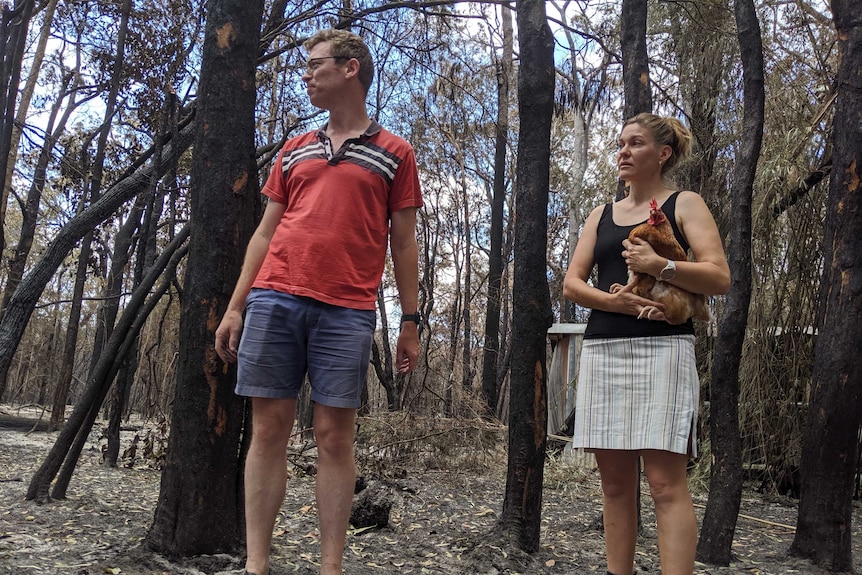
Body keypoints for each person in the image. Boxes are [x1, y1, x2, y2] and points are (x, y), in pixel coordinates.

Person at [214, 29, 422, 575]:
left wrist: (411, 319)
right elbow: (264, 232)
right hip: (274, 299)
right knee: (268, 429)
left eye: (314, 65)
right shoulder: (295, 147)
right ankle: (256, 564)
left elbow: (402, 241)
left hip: (347, 309)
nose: (305, 74)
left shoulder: (396, 153)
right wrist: (237, 306)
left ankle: (331, 567)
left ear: (350, 69)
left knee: (334, 435)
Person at [563, 113, 730, 575]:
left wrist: (661, 266)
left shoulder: (685, 203)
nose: (623, 151)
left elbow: (718, 277)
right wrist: (615, 306)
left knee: (663, 485)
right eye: (620, 143)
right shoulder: (602, 215)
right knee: (615, 488)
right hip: (604, 351)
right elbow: (572, 286)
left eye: (635, 144)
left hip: (664, 350)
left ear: (663, 154)